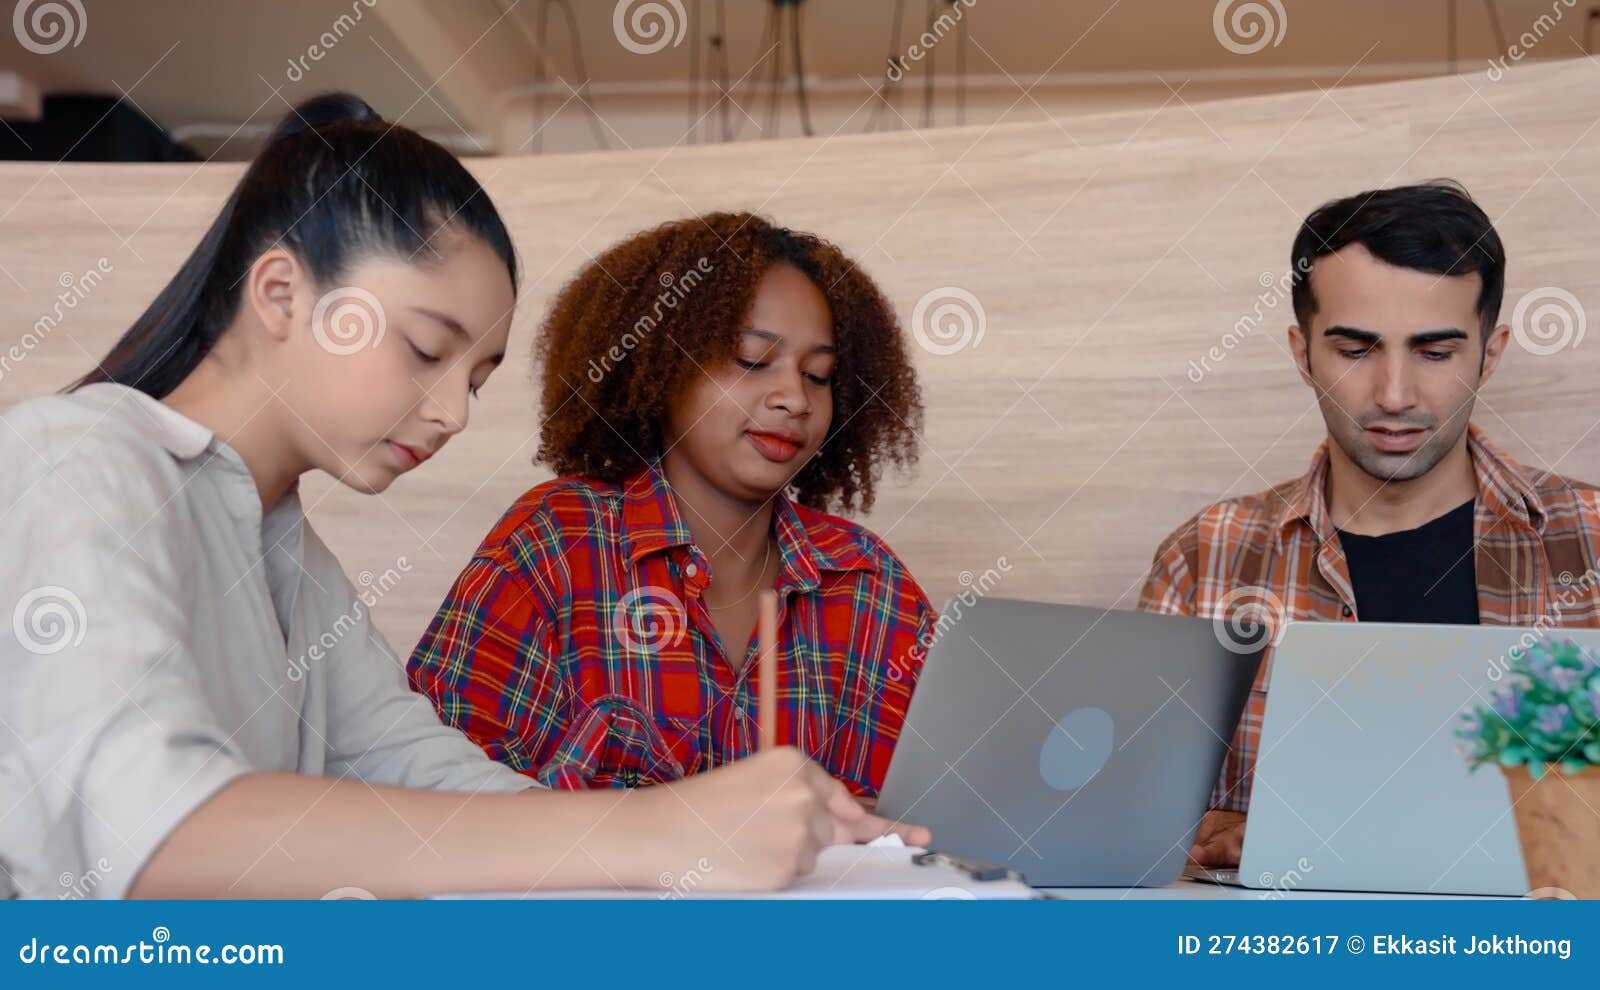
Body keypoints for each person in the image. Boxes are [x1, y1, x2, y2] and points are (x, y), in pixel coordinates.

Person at [0, 94, 926, 901]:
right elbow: (152, 834)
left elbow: (429, 776)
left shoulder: (285, 553)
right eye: (426, 349)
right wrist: (663, 831)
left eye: (475, 379)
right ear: (281, 292)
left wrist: (722, 839)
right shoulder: (75, 454)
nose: (450, 414)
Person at [1140, 181, 1600, 868]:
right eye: (1355, 351)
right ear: (1302, 353)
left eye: (1435, 353)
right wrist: (1195, 834)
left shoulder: (1589, 543)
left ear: (1491, 352)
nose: (1394, 395)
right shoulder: (1203, 560)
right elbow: (1136, 826)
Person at [409, 212, 934, 801]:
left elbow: (932, 812)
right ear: (659, 368)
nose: (794, 398)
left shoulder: (868, 582)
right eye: (751, 360)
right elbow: (440, 804)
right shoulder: (557, 543)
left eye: (819, 375)